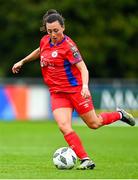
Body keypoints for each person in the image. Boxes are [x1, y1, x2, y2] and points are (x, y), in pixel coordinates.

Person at [12, 9, 135, 170]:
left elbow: (83, 69)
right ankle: (85, 159)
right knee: (63, 126)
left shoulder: (69, 46)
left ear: (63, 27)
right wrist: (23, 61)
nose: (53, 34)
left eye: (56, 30)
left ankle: (120, 114)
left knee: (94, 123)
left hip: (76, 90)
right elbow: (40, 50)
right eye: (49, 31)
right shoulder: (45, 41)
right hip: (57, 93)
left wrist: (85, 86)